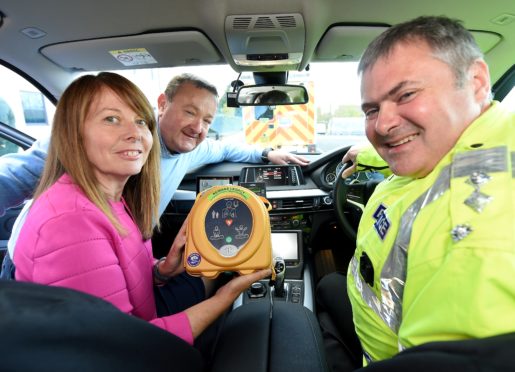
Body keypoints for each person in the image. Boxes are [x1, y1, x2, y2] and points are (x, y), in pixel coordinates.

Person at [12, 72, 271, 351]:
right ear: (73, 132)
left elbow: (222, 149)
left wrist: (162, 271)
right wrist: (226, 296)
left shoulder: (116, 199)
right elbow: (121, 349)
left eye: (139, 121)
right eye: (111, 119)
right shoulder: (69, 223)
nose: (134, 133)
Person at [316, 15, 514, 370]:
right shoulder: (473, 141)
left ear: (478, 82)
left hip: (385, 356)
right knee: (330, 284)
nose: (382, 125)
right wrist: (364, 156)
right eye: (372, 109)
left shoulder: (469, 229)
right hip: (377, 317)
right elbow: (418, 155)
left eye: (406, 95)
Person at [0, 73, 309, 219]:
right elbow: (13, 177)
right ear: (162, 104)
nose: (198, 127)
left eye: (207, 120)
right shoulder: (97, 142)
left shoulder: (193, 149)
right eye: (189, 112)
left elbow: (226, 148)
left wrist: (267, 152)